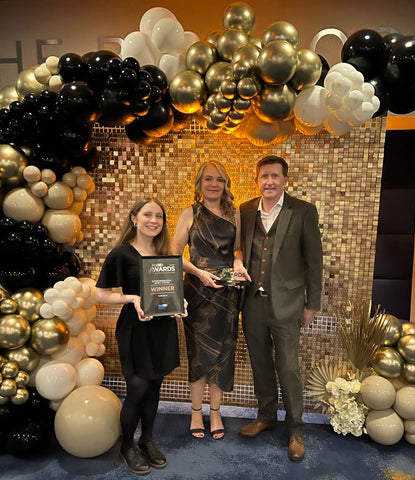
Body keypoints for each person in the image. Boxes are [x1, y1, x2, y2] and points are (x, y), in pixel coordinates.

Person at [238, 155, 323, 461]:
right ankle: (266, 416)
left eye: (275, 176)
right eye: (264, 176)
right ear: (257, 180)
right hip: (252, 303)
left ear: (286, 180)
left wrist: (311, 305)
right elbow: (239, 248)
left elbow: (314, 262)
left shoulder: (302, 211)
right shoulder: (246, 210)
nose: (270, 182)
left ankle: (296, 429)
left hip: (287, 304)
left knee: (287, 369)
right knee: (259, 364)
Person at [96, 198, 185, 475]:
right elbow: (99, 293)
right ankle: (127, 445)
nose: (154, 220)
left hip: (161, 330)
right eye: (148, 214)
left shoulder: (165, 254)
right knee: (137, 390)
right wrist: (131, 298)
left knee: (154, 388)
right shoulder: (121, 254)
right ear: (134, 218)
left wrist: (179, 305)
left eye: (159, 216)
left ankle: (147, 440)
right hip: (134, 330)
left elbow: (170, 292)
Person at [172, 161, 250, 440]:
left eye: (220, 179)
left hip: (227, 292)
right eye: (208, 179)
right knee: (198, 355)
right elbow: (174, 256)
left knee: (223, 354)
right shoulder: (189, 213)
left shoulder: (235, 214)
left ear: (226, 184)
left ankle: (215, 411)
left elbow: (238, 250)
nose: (214, 184)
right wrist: (199, 273)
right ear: (199, 183)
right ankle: (195, 412)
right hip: (197, 291)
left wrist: (239, 264)